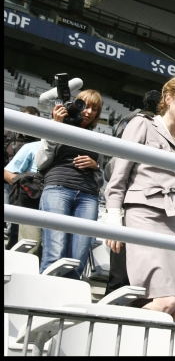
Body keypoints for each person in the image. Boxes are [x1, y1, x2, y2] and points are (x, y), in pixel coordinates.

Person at [104, 75, 175, 349]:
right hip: (144, 215)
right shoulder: (142, 125)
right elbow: (119, 175)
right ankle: (113, 340)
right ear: (169, 98)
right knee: (166, 301)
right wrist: (114, 217)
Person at [35, 91, 104, 279]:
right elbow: (40, 162)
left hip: (88, 196)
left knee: (78, 259)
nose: (89, 112)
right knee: (54, 254)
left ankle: (65, 307)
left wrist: (95, 165)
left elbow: (102, 180)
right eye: (86, 105)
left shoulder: (97, 139)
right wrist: (55, 127)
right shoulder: (59, 126)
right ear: (76, 104)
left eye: (94, 109)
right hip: (58, 188)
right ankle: (41, 306)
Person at [103, 89, 161, 299]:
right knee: (120, 277)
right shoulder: (137, 123)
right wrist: (114, 213)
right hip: (128, 206)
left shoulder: (164, 130)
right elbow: (118, 171)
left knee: (142, 282)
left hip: (150, 212)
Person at [4, 106, 41, 251]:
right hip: (16, 189)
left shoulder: (40, 143)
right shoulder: (11, 138)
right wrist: (23, 185)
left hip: (33, 192)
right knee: (14, 230)